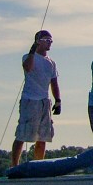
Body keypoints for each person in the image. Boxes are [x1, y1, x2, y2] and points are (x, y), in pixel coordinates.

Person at [11, 30, 62, 166]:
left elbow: (54, 83)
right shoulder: (28, 57)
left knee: (43, 136)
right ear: (38, 41)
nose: (49, 43)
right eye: (46, 40)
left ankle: (38, 166)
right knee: (22, 134)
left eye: (51, 40)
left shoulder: (51, 62)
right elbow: (27, 68)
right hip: (30, 100)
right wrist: (33, 49)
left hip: (44, 102)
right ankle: (14, 165)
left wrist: (58, 100)